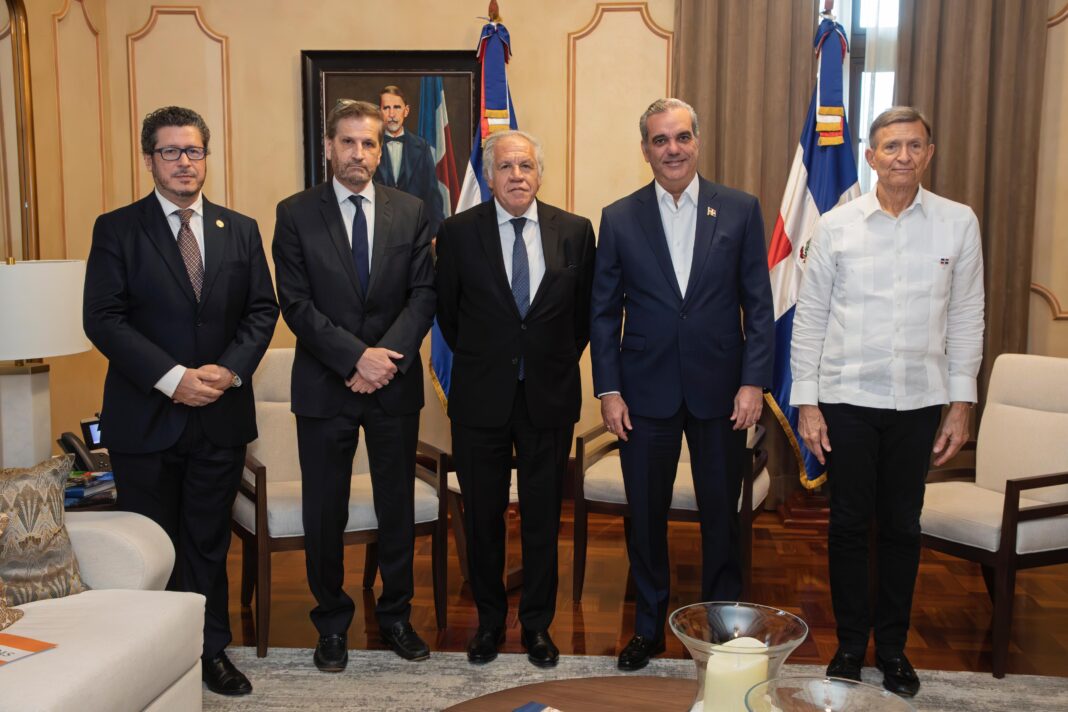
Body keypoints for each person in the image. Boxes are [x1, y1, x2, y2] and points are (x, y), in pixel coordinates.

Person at [83, 106, 278, 696]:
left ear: (206, 157)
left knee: (207, 542)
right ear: (149, 160)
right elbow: (104, 319)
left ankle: (209, 651)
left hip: (219, 415)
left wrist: (230, 370)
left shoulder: (238, 228)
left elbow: (262, 311)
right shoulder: (117, 228)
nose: (184, 163)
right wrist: (172, 377)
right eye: (170, 152)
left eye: (194, 151)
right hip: (146, 418)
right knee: (150, 546)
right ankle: (154, 658)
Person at [790, 106, 984, 697]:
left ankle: (894, 650)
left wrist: (961, 402)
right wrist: (807, 402)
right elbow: (811, 317)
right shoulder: (838, 226)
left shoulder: (958, 223)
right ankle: (850, 645)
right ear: (871, 157)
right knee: (849, 524)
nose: (903, 155)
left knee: (902, 524)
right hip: (846, 397)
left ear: (929, 153)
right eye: (891, 146)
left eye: (914, 145)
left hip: (921, 401)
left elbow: (968, 316)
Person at [589, 98, 774, 671]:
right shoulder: (618, 217)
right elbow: (603, 312)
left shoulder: (739, 209)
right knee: (645, 515)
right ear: (645, 149)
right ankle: (647, 627)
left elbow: (759, 308)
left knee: (722, 512)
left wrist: (753, 383)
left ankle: (723, 632)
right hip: (643, 394)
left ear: (697, 141)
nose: (672, 149)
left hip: (723, 391)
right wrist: (608, 390)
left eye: (682, 137)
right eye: (660, 140)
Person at [272, 99, 436, 672]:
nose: (358, 153)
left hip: (393, 383)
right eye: (347, 142)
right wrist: (354, 358)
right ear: (328, 147)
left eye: (368, 143)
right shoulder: (294, 214)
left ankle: (395, 616)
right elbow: (294, 302)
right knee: (326, 510)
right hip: (325, 384)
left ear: (379, 146)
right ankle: (332, 624)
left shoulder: (411, 211)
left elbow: (424, 295)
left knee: (396, 507)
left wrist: (383, 360)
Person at [435, 130, 596, 667]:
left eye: (526, 165)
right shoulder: (457, 233)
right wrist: (495, 361)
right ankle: (487, 624)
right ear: (489, 175)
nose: (517, 175)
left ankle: (536, 626)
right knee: (482, 517)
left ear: (539, 172)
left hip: (548, 399)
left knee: (543, 518)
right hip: (481, 399)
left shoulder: (574, 232)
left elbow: (581, 320)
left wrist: (541, 363)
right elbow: (450, 318)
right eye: (505, 167)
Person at [375, 85, 446, 237]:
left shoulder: (421, 146)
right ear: (379, 112)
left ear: (406, 111)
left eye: (397, 107)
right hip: (377, 230)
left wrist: (437, 233)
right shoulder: (369, 145)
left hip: (414, 230)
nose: (392, 114)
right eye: (386, 108)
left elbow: (431, 193)